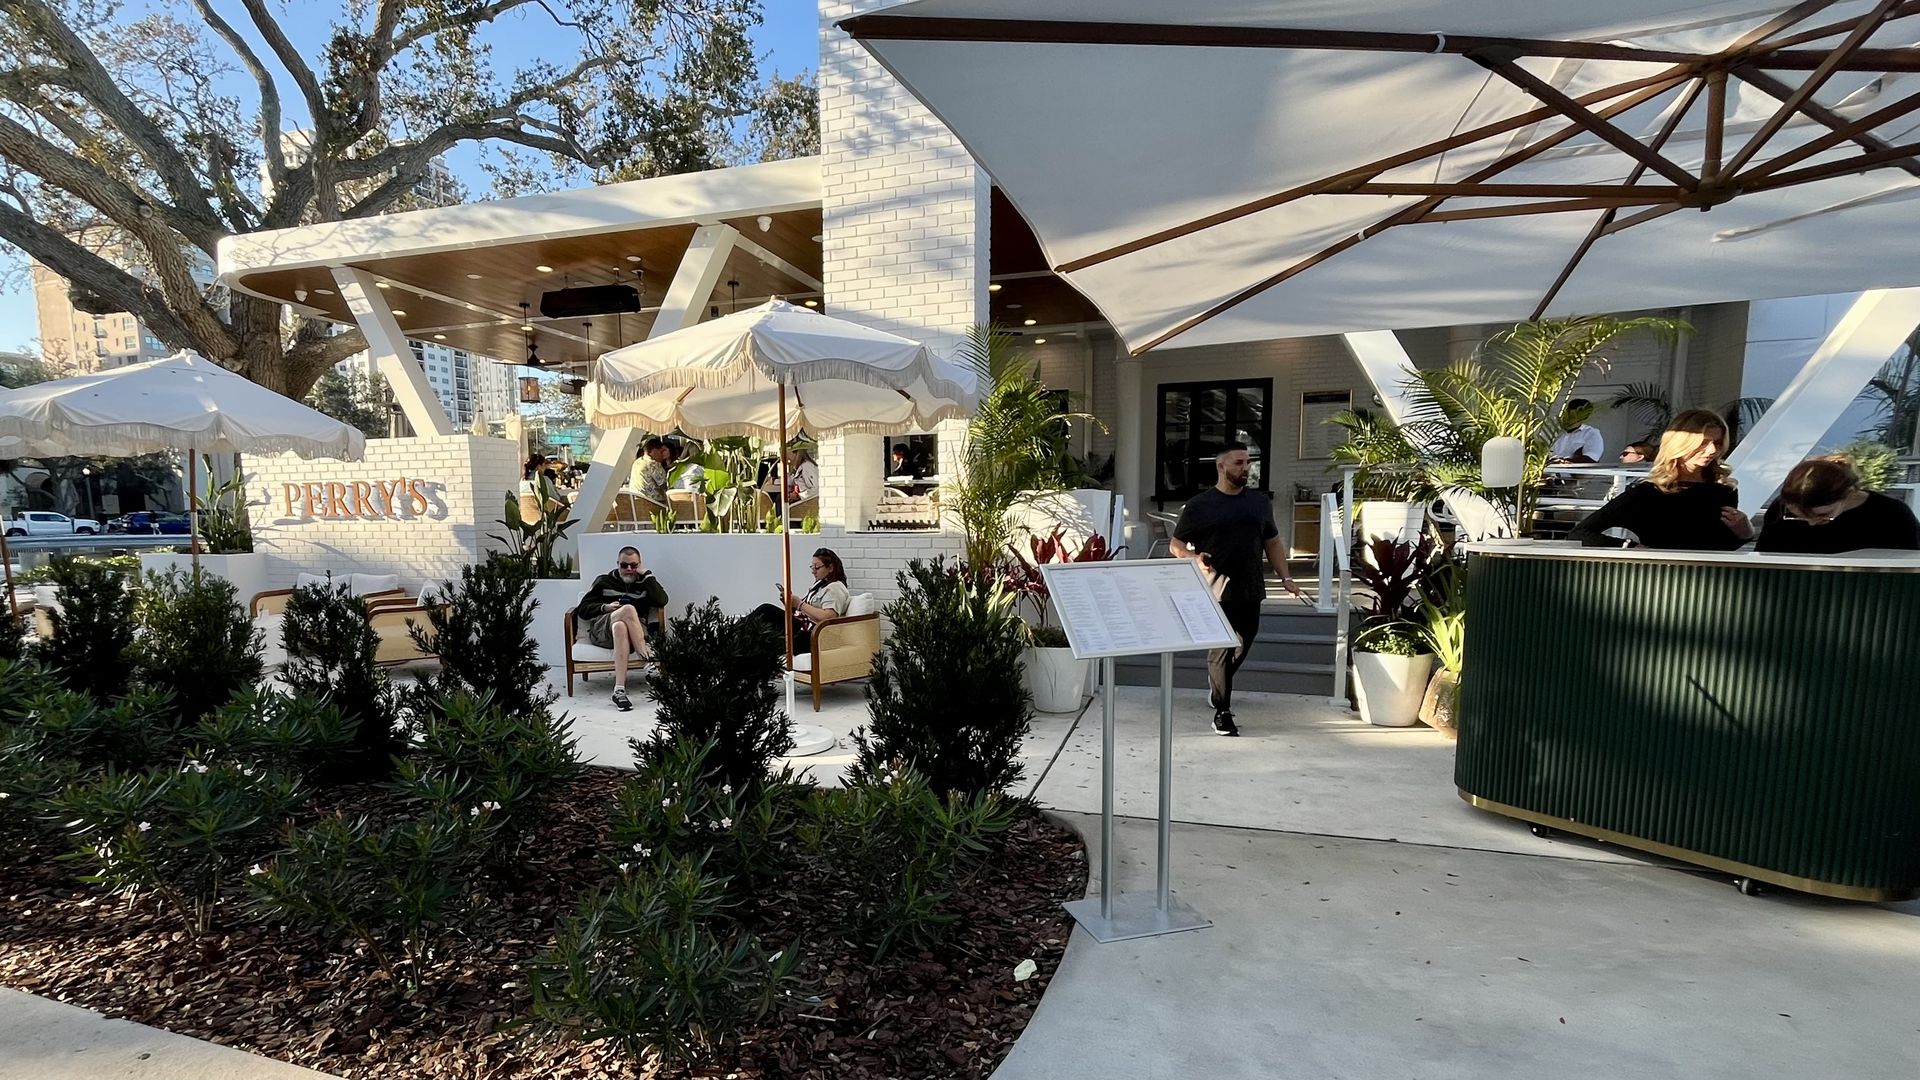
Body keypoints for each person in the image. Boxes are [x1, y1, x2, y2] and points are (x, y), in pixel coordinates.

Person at [1170, 443, 1303, 737]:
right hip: (1216, 589)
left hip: (1251, 586)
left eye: (1248, 462)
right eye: (1239, 463)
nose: (1246, 468)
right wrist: (1193, 558)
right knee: (1222, 648)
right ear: (1221, 467)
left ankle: (1219, 683)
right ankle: (1222, 711)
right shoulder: (1200, 505)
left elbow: (1273, 542)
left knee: (1244, 642)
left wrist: (1286, 578)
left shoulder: (1259, 503)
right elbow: (1176, 545)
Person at [1569, 409, 1752, 550]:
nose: (1712, 450)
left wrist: (1745, 532)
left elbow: (1722, 546)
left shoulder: (1723, 490)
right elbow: (1580, 534)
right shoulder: (1648, 493)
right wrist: (1631, 548)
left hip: (1708, 579)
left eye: (1717, 443)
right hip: (1660, 579)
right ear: (1680, 443)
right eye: (1703, 442)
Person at [1755, 456, 1920, 555]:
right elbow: (1765, 559)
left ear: (1849, 493)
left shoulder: (1893, 515)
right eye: (1798, 515)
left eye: (1823, 515)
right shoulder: (1780, 508)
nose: (1811, 523)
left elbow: (1908, 566)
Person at [577, 546, 669, 711]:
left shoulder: (644, 583)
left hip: (633, 633)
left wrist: (648, 575)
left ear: (639, 565)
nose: (629, 569)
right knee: (627, 609)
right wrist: (605, 607)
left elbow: (662, 600)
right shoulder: (604, 581)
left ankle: (619, 690)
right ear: (617, 564)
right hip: (603, 630)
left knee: (620, 626)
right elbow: (582, 609)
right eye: (624, 565)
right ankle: (647, 664)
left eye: (633, 565)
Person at [747, 547, 850, 647]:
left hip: (812, 633)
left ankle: (738, 631)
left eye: (817, 567)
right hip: (802, 626)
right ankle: (741, 634)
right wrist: (790, 604)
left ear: (830, 568)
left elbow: (828, 617)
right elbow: (804, 611)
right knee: (763, 631)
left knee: (766, 610)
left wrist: (799, 604)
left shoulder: (835, 587)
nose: (813, 571)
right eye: (812, 567)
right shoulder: (819, 586)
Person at [1549, 399, 1605, 463]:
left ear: (1585, 416)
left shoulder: (1591, 433)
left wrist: (1563, 462)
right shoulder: (1552, 431)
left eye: (1573, 415)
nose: (1569, 418)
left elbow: (1591, 458)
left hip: (1573, 469)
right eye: (1568, 414)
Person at [636, 437, 671, 505]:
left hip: (637, 503)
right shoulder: (653, 464)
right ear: (654, 451)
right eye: (661, 452)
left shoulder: (637, 462)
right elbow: (665, 485)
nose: (662, 456)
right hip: (653, 504)